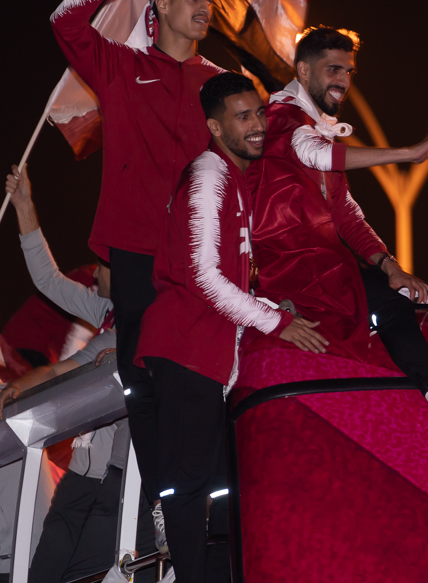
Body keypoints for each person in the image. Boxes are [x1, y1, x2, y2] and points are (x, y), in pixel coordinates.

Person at [247, 28, 428, 456]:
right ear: (303, 71)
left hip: (328, 269)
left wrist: (391, 267)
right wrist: (408, 153)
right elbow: (313, 153)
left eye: (348, 71)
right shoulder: (283, 117)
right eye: (333, 69)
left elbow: (348, 216)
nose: (343, 80)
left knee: (422, 294)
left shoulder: (318, 128)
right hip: (294, 276)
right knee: (419, 299)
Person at [50, 0, 223, 550]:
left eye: (209, 0)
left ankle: (212, 515)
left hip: (203, 261)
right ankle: (166, 507)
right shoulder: (121, 68)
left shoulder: (221, 87)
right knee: (144, 382)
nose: (205, 8)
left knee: (205, 384)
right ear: (161, 5)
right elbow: (64, 21)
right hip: (137, 255)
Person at [133, 73, 326, 582]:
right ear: (215, 128)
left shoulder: (232, 177)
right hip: (184, 346)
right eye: (243, 117)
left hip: (204, 350)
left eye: (259, 112)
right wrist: (277, 322)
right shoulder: (208, 175)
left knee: (216, 484)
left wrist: (274, 309)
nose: (258, 124)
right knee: (189, 484)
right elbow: (202, 276)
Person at [0, 166, 155, 581]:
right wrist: (24, 206)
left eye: (102, 266)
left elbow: (62, 370)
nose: (93, 273)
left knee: (80, 569)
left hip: (116, 483)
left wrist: (20, 385)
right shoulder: (109, 313)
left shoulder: (132, 331)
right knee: (50, 568)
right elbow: (50, 280)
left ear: (125, 272)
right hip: (83, 474)